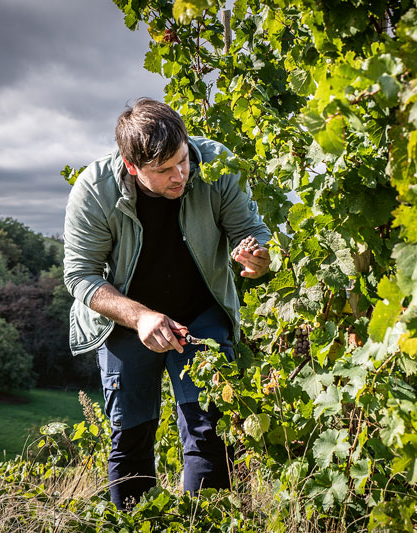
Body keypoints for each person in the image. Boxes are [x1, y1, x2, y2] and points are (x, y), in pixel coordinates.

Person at [63, 97, 271, 510]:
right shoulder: (94, 188)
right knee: (131, 434)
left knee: (208, 429)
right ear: (131, 166)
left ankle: (205, 522)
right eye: (164, 170)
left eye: (182, 160)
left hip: (201, 312)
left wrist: (259, 259)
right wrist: (141, 317)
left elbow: (253, 231)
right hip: (124, 321)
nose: (180, 175)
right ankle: (137, 520)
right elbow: (80, 276)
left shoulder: (214, 164)